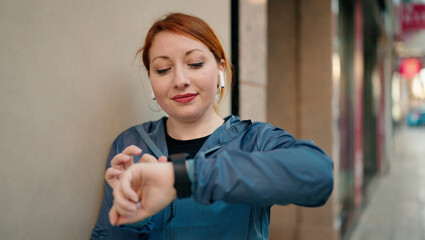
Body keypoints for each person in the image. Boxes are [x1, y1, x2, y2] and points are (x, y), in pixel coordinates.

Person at [91, 12, 333, 240]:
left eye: (195, 64)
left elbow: (318, 175)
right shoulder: (130, 144)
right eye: (163, 69)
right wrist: (130, 219)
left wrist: (182, 177)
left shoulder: (254, 140)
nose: (180, 81)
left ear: (219, 69)